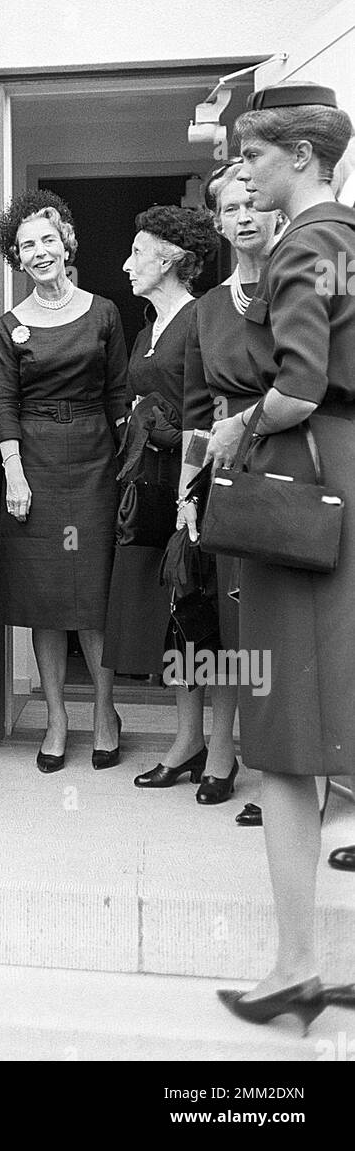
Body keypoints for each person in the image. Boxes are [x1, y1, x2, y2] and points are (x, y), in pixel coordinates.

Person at [209, 83, 355, 1026]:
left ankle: (296, 967)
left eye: (255, 160)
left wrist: (233, 431)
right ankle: (303, 966)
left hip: (300, 494)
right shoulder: (352, 236)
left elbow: (298, 387)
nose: (245, 179)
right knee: (334, 715)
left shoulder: (305, 242)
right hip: (346, 480)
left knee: (286, 739)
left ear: (298, 156)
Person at [0, 191, 128, 773]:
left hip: (98, 458)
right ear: (17, 259)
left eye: (48, 239)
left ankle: (105, 713)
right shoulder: (10, 325)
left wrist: (128, 470)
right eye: (27, 246)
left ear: (66, 242)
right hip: (37, 464)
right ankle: (55, 718)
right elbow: (4, 404)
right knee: (45, 601)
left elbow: (120, 394)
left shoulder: (104, 313)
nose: (39, 252)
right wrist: (14, 475)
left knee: (95, 597)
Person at [100, 204, 219, 788]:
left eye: (138, 253)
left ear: (170, 258)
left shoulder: (200, 321)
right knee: (168, 614)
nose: (126, 265)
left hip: (187, 489)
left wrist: (188, 495)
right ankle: (188, 738)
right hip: (146, 486)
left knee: (196, 612)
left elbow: (203, 418)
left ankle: (206, 746)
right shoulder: (147, 330)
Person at [176, 163, 280, 804]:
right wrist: (189, 493)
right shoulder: (208, 308)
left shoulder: (300, 286)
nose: (243, 216)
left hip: (290, 461)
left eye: (252, 203)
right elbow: (195, 410)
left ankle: (287, 777)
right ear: (217, 223)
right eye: (229, 209)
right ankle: (221, 754)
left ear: (274, 208)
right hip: (224, 475)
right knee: (232, 625)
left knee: (284, 624)